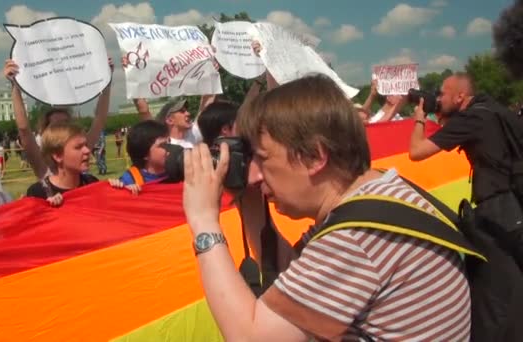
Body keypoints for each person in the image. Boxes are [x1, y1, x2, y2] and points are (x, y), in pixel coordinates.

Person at [181, 74, 471, 340]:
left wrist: (204, 221)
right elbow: (291, 272)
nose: (255, 175)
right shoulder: (378, 192)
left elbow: (251, 337)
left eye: (262, 158)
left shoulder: (356, 238)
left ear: (315, 157)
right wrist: (251, 204)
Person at [409, 73, 523, 259]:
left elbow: (416, 151)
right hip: (516, 198)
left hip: (498, 210)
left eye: (442, 94)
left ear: (459, 96)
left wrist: (420, 119)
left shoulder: (470, 119)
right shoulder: (493, 109)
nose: (439, 99)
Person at [3, 58, 114, 180]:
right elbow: (23, 129)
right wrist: (15, 84)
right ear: (45, 132)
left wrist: (106, 79)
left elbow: (99, 119)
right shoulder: (44, 165)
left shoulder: (82, 147)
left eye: (66, 123)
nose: (63, 128)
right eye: (56, 125)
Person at [26, 122, 97, 205]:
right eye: (78, 147)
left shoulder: (92, 183)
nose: (87, 151)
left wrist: (113, 188)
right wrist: (46, 208)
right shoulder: (38, 193)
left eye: (86, 145)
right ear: (58, 156)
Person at [109, 120, 170, 195]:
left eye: (169, 142)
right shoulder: (130, 180)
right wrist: (125, 192)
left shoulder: (179, 172)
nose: (170, 148)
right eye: (163, 145)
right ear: (145, 154)